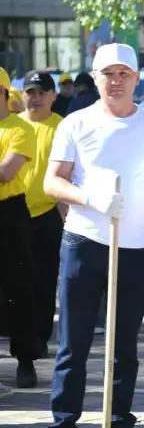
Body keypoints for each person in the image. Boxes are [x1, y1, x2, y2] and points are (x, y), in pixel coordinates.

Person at [40, 44, 144, 428]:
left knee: (124, 345)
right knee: (74, 344)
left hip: (136, 246)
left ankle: (120, 427)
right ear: (96, 76)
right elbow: (53, 182)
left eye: (124, 73)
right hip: (84, 241)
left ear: (136, 78)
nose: (116, 80)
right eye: (108, 73)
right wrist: (92, 198)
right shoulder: (76, 122)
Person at [19, 71, 65, 373]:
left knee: (46, 284)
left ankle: (39, 339)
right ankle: (23, 346)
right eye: (30, 92)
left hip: (48, 214)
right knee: (18, 283)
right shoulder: (11, 124)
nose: (35, 97)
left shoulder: (62, 127)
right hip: (14, 214)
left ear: (53, 95)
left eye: (41, 92)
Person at [0, 67, 39, 389]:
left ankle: (25, 359)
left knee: (18, 289)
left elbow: (6, 172)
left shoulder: (19, 128)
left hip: (10, 213)